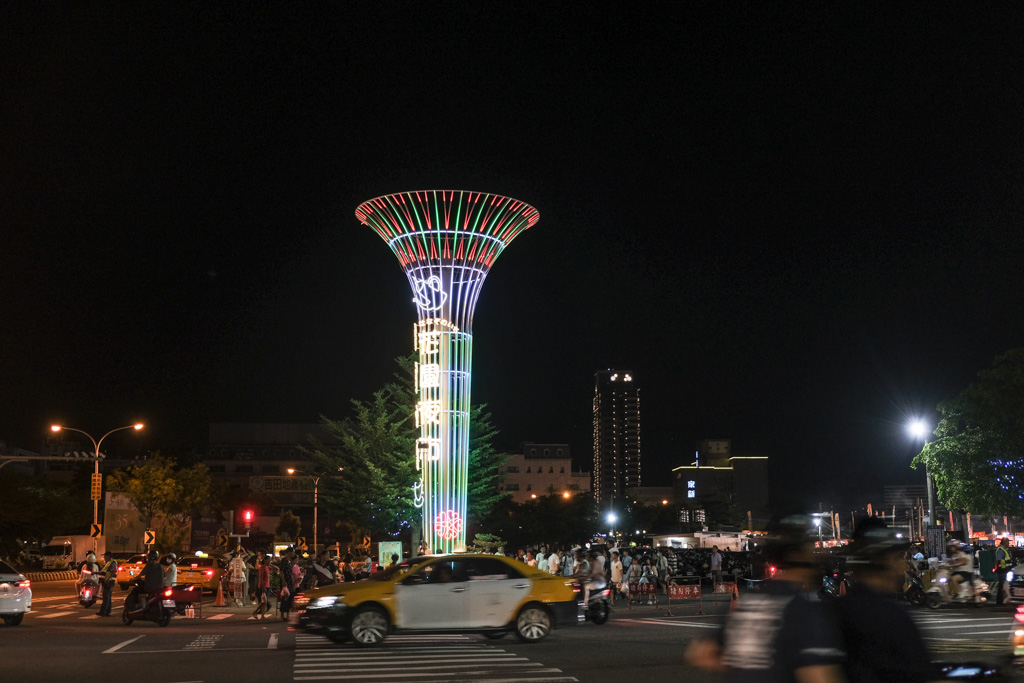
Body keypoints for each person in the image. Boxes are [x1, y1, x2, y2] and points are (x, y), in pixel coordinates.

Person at [685, 512, 846, 682]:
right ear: (799, 555)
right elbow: (821, 677)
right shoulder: (805, 612)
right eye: (810, 548)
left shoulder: (745, 604)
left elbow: (701, 653)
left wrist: (746, 665)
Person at [834, 517, 940, 682]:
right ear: (883, 560)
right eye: (898, 557)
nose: (904, 563)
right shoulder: (893, 617)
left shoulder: (835, 612)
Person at [98, 550, 118, 616]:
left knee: (106, 597)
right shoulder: (108, 563)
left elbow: (113, 572)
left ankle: (103, 612)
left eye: (105, 556)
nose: (104, 557)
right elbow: (104, 572)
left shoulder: (112, 562)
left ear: (108, 556)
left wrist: (107, 580)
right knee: (107, 598)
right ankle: (107, 612)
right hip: (106, 582)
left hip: (109, 582)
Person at [253, 553, 273, 619]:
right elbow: (261, 577)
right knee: (264, 601)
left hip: (267, 585)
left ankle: (262, 615)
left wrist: (270, 564)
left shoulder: (267, 567)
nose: (270, 561)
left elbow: (276, 568)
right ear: (266, 560)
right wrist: (263, 586)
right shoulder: (262, 567)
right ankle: (256, 611)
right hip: (263, 586)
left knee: (264, 602)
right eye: (269, 560)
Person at [996, 537, 1012, 605]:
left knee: (1003, 586)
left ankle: (1002, 600)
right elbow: (999, 560)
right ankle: (999, 601)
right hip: (1002, 571)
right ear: (1004, 542)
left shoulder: (1003, 549)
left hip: (1005, 570)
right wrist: (1002, 568)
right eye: (1008, 542)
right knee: (1001, 586)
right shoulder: (1001, 550)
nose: (1009, 544)